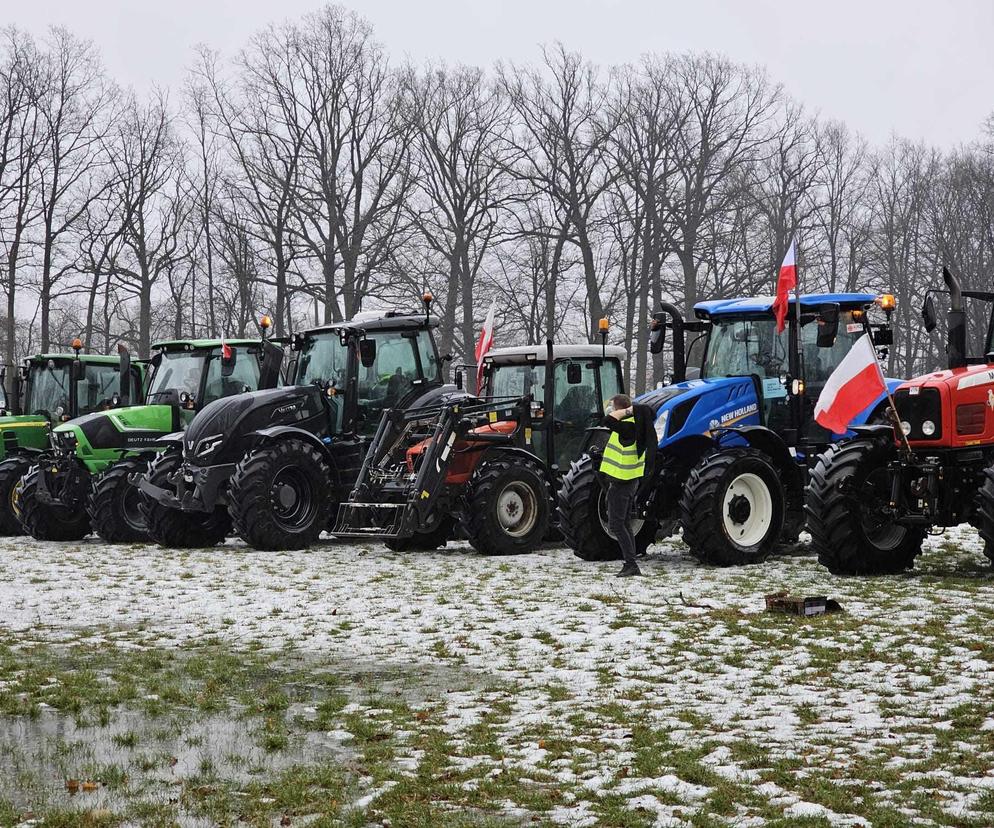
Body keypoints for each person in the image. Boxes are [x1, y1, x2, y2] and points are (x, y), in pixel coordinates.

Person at [600, 393, 655, 577]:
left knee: (616, 525)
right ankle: (631, 563)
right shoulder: (634, 425)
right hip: (627, 481)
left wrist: (624, 411)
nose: (611, 410)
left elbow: (607, 420)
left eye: (613, 407)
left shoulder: (628, 427)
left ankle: (630, 563)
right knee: (624, 523)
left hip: (622, 482)